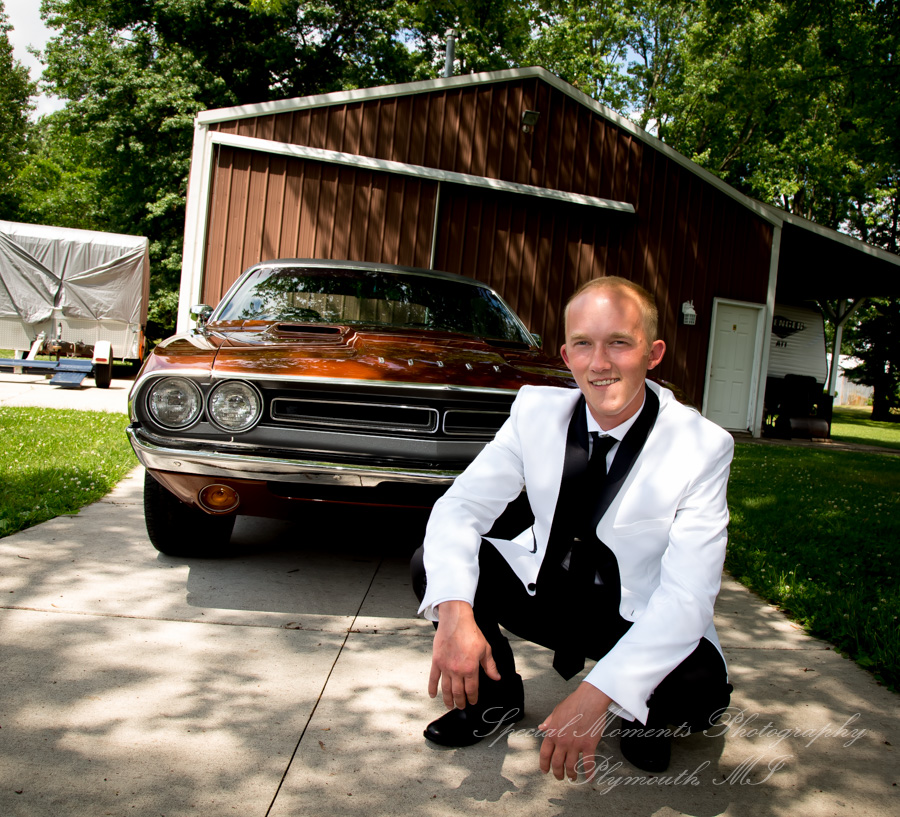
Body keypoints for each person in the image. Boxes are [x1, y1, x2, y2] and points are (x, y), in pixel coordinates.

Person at [411, 276, 734, 780]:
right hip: (551, 590)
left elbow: (688, 597)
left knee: (701, 695)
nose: (599, 363)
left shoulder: (702, 446)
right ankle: (494, 702)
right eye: (583, 343)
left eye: (619, 343)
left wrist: (596, 697)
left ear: (654, 354)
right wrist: (454, 616)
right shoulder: (533, 412)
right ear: (565, 354)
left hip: (633, 611)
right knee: (435, 567)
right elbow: (459, 508)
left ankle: (637, 717)